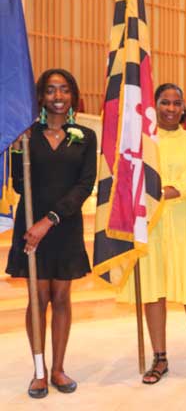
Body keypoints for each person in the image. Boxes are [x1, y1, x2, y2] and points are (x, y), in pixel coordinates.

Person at [118, 83, 186, 384]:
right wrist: (147, 196)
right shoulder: (141, 142)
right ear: (154, 106)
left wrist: (157, 193)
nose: (171, 108)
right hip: (149, 226)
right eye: (165, 102)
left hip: (183, 222)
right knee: (153, 290)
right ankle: (160, 357)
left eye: (177, 103)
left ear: (183, 107)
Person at [6, 69, 96, 398]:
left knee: (61, 299)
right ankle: (39, 370)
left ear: (73, 95)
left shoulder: (86, 136)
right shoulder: (26, 135)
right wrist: (15, 150)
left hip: (64, 225)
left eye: (64, 90)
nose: (57, 96)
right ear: (40, 97)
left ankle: (58, 369)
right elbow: (18, 184)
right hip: (32, 227)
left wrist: (51, 219)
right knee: (37, 298)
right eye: (50, 90)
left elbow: (85, 185)